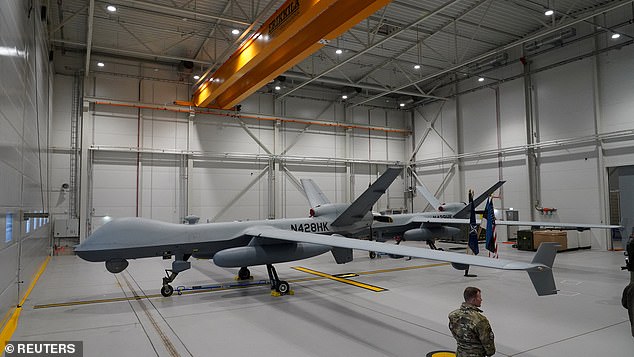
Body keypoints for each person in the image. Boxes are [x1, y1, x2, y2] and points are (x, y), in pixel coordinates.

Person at [448, 287, 496, 357]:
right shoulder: (480, 320)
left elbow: (455, 333)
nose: (481, 299)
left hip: (460, 353)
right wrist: (489, 352)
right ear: (474, 300)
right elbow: (487, 342)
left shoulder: (453, 315)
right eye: (479, 298)